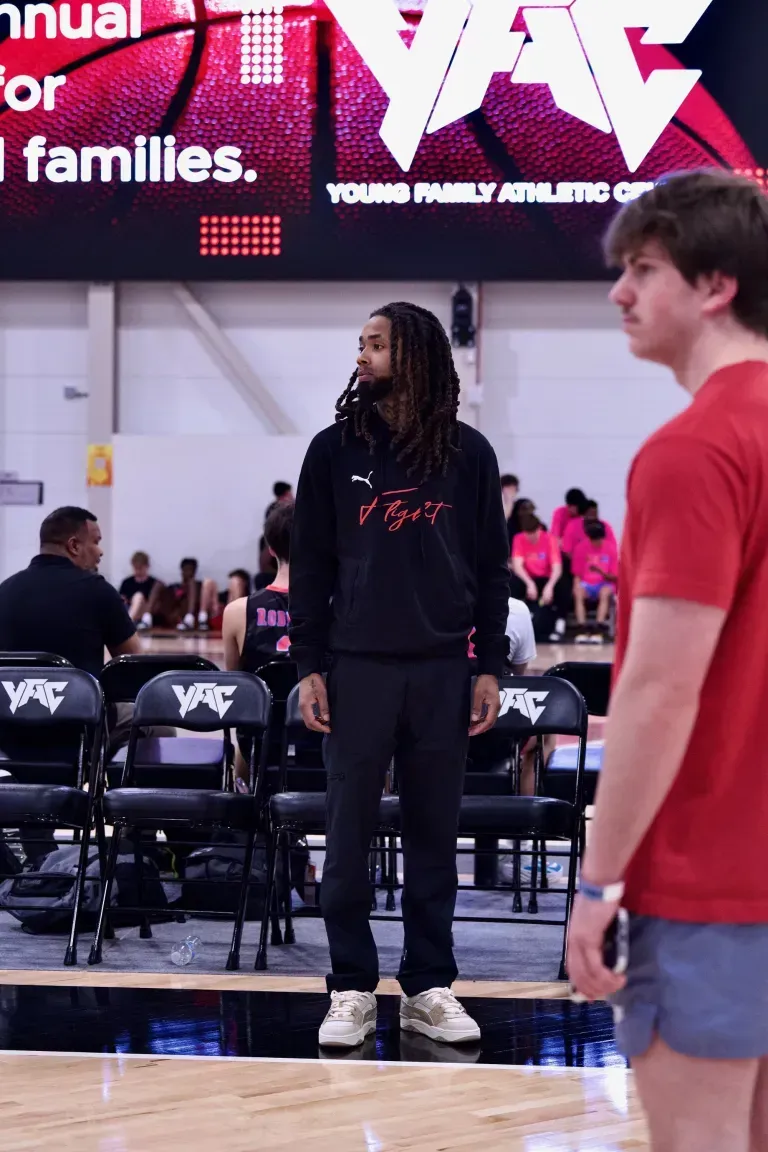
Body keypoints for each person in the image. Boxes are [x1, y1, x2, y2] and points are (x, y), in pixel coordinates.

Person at [566, 170, 768, 1152]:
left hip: (715, 872)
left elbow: (659, 688)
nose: (621, 293)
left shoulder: (697, 448)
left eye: (643, 269)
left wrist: (599, 883)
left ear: (716, 284)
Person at [290, 301, 509, 1049]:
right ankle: (350, 986)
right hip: (356, 666)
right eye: (360, 344)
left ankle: (429, 985)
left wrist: (489, 665)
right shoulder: (331, 451)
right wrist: (309, 665)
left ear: (412, 354)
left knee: (432, 835)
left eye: (376, 344)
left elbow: (491, 571)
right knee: (347, 833)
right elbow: (310, 566)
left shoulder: (471, 455)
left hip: (445, 667)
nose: (362, 356)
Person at [0, 508, 144, 862]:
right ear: (74, 544)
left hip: (11, 738)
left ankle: (33, 839)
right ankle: (135, 837)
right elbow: (134, 667)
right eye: (96, 542)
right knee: (150, 718)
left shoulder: (5, 591)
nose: (101, 552)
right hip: (77, 736)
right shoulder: (97, 591)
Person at [223, 505, 291, 674]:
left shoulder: (236, 612)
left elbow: (235, 687)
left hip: (263, 700)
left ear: (271, 550)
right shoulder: (339, 609)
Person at [509, 510, 569, 640]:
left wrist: (550, 586)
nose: (531, 538)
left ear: (539, 529)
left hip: (547, 578)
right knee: (512, 582)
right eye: (528, 534)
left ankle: (560, 622)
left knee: (563, 584)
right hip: (529, 578)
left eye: (533, 534)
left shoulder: (550, 539)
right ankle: (515, 622)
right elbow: (517, 565)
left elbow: (557, 568)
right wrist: (529, 583)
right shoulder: (518, 539)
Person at [571, 520, 618, 642]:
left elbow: (614, 577)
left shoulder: (610, 548)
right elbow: (577, 574)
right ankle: (581, 626)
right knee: (578, 591)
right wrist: (576, 587)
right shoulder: (581, 548)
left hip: (604, 582)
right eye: (593, 540)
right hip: (586, 584)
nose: (596, 543)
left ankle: (599, 626)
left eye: (598, 540)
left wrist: (600, 571)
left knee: (605, 592)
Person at [159, 558, 219, 632]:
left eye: (191, 570)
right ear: (182, 571)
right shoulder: (174, 587)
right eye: (186, 570)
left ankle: (190, 617)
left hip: (196, 616)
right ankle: (187, 619)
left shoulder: (200, 586)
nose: (189, 573)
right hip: (179, 614)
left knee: (193, 584)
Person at [119, 550, 165, 630]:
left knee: (138, 596)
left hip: (146, 613)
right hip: (130, 610)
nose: (138, 571)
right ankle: (129, 621)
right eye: (135, 568)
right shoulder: (127, 582)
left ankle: (128, 623)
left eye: (140, 568)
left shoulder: (153, 583)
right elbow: (122, 599)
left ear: (147, 566)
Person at [500, 473, 520, 545]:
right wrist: (509, 501)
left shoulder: (520, 505)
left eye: (513, 488)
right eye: (508, 488)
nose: (511, 491)